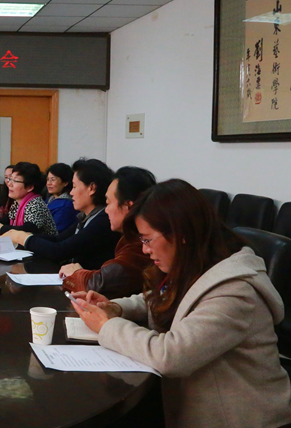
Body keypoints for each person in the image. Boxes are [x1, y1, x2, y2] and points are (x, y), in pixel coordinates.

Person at [70, 179, 291, 428]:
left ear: (181, 234)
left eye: (147, 240)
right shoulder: (194, 264)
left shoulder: (235, 291)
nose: (144, 250)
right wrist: (116, 308)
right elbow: (160, 297)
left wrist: (107, 326)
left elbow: (171, 356)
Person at [4, 158, 120, 270]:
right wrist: (21, 235)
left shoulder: (103, 220)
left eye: (74, 187)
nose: (71, 192)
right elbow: (57, 239)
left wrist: (23, 238)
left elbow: (59, 251)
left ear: (92, 188)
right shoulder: (85, 217)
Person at [60, 166, 156, 298]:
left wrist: (76, 273)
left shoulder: (140, 246)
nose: (106, 210)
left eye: (109, 203)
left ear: (128, 206)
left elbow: (99, 285)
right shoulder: (128, 238)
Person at [0, 162, 56, 236]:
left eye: (15, 181)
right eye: (10, 179)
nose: (9, 184)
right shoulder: (18, 202)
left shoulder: (36, 204)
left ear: (29, 187)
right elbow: (8, 219)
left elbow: (28, 230)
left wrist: (1, 228)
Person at [44, 163, 78, 232]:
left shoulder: (67, 205)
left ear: (65, 183)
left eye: (53, 180)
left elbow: (54, 231)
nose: (48, 183)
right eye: (48, 179)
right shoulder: (50, 199)